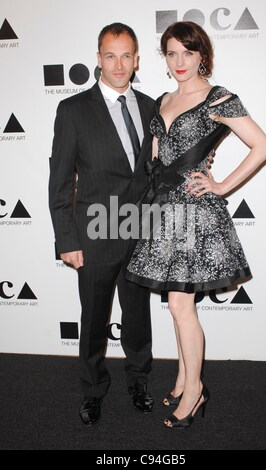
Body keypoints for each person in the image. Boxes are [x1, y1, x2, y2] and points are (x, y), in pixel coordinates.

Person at [126, 21, 266, 429]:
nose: (179, 62)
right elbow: (158, 158)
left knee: (179, 303)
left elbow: (262, 146)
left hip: (195, 214)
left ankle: (195, 391)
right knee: (179, 306)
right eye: (171, 53)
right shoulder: (162, 100)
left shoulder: (219, 98)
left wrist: (222, 185)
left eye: (187, 53)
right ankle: (182, 377)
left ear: (201, 55)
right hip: (164, 215)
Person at [49, 23, 155, 426]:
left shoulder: (150, 107)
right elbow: (60, 180)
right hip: (93, 234)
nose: (119, 64)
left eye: (127, 55)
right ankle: (93, 390)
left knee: (138, 316)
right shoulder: (73, 110)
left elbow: (151, 173)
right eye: (110, 56)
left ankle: (139, 381)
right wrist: (66, 238)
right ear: (98, 59)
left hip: (140, 230)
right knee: (93, 318)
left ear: (136, 59)